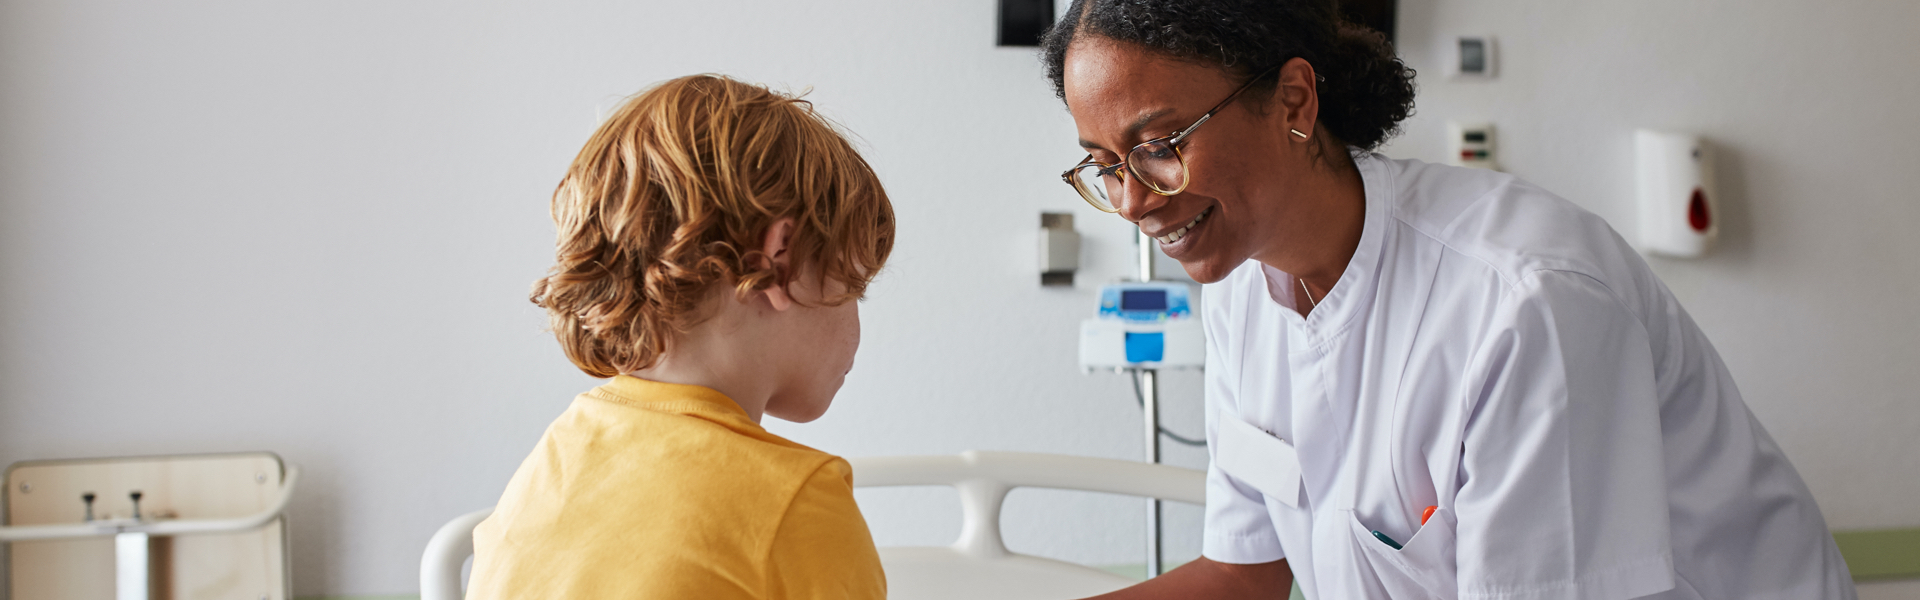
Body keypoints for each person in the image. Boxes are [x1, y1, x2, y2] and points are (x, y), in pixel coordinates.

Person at [1041, 1, 1856, 598]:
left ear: (1293, 101)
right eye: (1104, 166)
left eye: (1158, 148)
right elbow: (1243, 575)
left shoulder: (1523, 304)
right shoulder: (1241, 289)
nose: (1134, 203)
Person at [465, 74, 895, 600]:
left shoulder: (554, 461)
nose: (857, 322)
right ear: (778, 263)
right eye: (855, 286)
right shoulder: (796, 503)